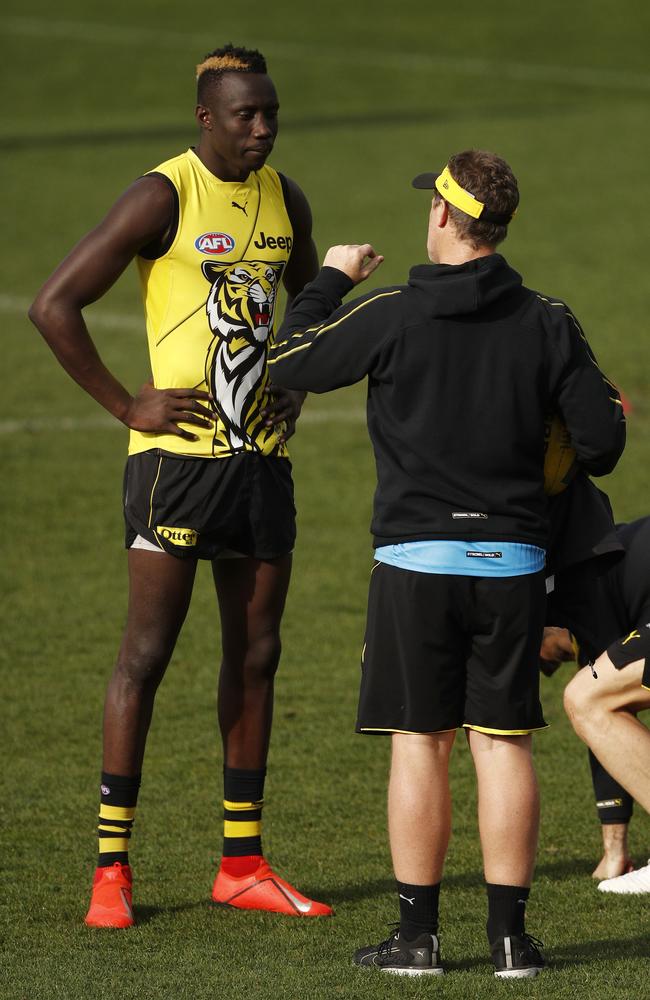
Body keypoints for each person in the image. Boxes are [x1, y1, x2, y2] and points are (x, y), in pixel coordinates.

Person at [267, 149, 626, 976]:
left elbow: (287, 362)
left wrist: (328, 280)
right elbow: (603, 442)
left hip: (415, 568)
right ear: (496, 228)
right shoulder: (548, 319)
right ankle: (510, 942)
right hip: (512, 569)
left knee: (419, 744)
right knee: (502, 746)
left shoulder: (393, 312)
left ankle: (417, 938)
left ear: (441, 216)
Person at [28, 43, 333, 927]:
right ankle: (111, 875)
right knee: (145, 657)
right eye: (246, 115)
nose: (263, 129)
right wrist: (128, 404)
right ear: (206, 117)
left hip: (259, 469)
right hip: (175, 471)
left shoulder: (287, 198)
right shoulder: (163, 194)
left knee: (258, 653)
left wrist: (300, 384)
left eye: (271, 113)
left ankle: (241, 862)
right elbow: (54, 304)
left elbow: (312, 310)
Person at [541, 485, 650, 893]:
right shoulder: (604, 567)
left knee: (587, 697)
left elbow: (605, 723)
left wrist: (614, 849)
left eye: (539, 656)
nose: (547, 665)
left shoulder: (576, 592)